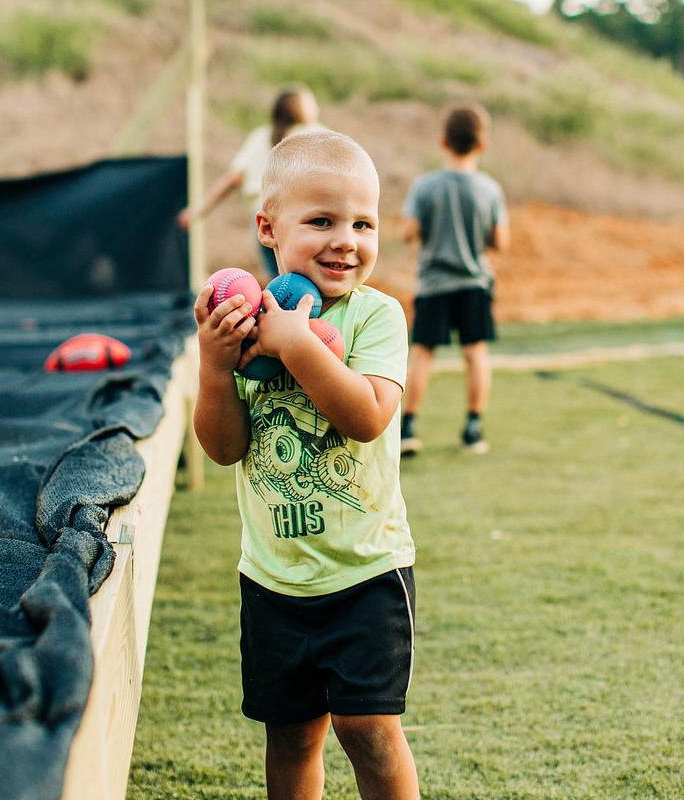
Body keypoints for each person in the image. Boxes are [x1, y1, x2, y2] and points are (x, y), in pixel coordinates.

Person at [192, 130, 419, 800]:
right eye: (321, 220)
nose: (345, 240)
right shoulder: (244, 320)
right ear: (269, 227)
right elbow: (223, 447)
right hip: (274, 578)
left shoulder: (378, 316)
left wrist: (296, 346)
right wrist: (214, 365)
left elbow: (368, 417)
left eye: (363, 223)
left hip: (367, 571)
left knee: (367, 728)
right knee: (291, 736)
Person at [399, 100, 510, 456]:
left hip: (433, 283)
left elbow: (408, 231)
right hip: (475, 283)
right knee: (475, 352)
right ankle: (473, 427)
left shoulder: (424, 186)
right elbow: (500, 242)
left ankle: (408, 427)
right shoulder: (490, 190)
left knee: (423, 352)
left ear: (443, 141)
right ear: (483, 144)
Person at [177, 85, 322, 279]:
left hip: (263, 218)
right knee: (312, 278)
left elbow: (233, 179)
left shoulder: (260, 136)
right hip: (300, 216)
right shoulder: (317, 135)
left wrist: (197, 211)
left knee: (279, 279)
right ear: (301, 109)